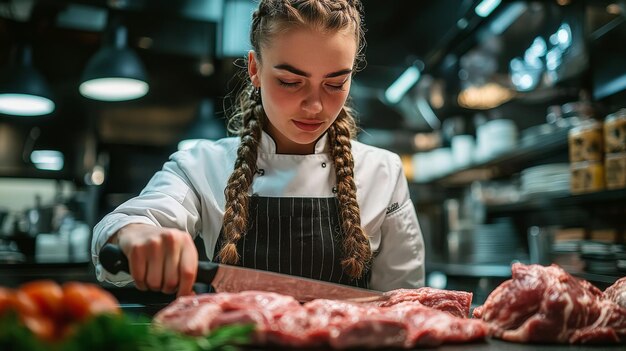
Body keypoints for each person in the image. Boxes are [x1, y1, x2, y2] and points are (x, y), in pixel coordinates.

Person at [92, 0, 425, 297]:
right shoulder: (202, 165)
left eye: (335, 84)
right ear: (255, 69)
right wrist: (134, 235)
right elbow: (131, 222)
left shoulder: (383, 172)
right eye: (290, 81)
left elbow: (407, 302)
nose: (314, 106)